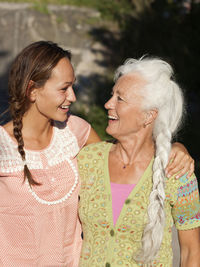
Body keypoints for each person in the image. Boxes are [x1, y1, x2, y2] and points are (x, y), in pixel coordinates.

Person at [0, 41, 194, 266]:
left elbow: (122, 152)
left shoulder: (76, 132)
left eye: (72, 86)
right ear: (32, 90)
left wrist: (173, 147)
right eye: (64, 88)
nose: (72, 97)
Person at [78, 57, 200, 266]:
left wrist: (179, 147)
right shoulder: (88, 159)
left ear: (148, 115)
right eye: (111, 95)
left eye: (120, 99)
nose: (108, 104)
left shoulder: (177, 171)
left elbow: (191, 252)